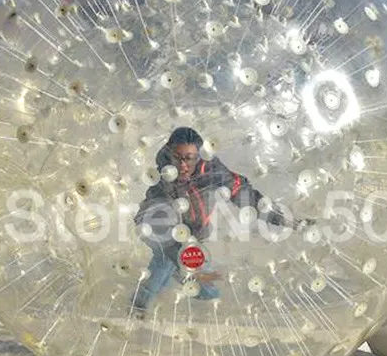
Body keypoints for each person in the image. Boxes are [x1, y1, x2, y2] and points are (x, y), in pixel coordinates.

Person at [132, 126, 308, 315]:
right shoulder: (163, 178)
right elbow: (149, 216)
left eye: (189, 158)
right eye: (177, 157)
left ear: (199, 155)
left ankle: (179, 275)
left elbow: (248, 197)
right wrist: (176, 253)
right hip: (166, 239)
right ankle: (137, 310)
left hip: (195, 240)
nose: (183, 165)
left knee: (209, 291)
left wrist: (286, 220)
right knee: (159, 272)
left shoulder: (213, 173)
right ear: (170, 154)